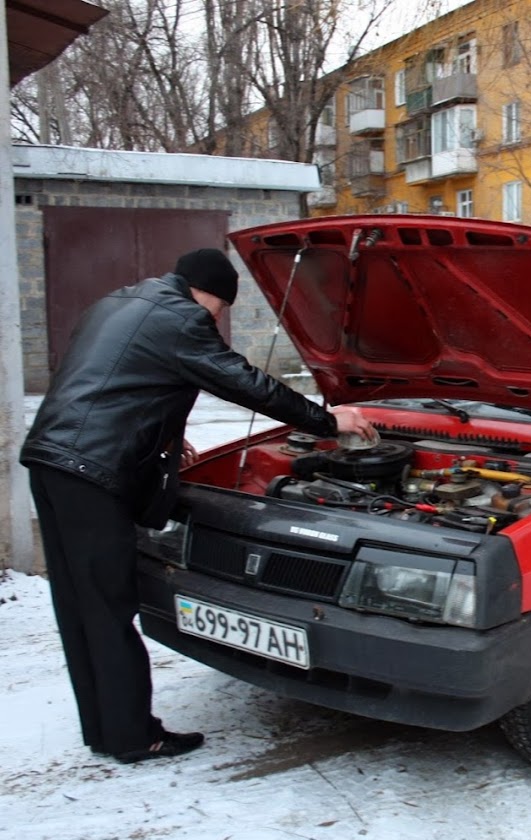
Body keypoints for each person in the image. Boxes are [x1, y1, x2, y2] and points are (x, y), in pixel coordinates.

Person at [20, 248, 375, 764]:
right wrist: (327, 422)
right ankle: (135, 737)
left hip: (52, 462)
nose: (217, 320)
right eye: (220, 310)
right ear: (211, 295)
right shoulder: (183, 319)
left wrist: (163, 431)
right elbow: (244, 381)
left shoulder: (119, 302)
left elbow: (115, 380)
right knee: (111, 608)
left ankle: (105, 730)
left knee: (79, 607)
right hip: (93, 473)